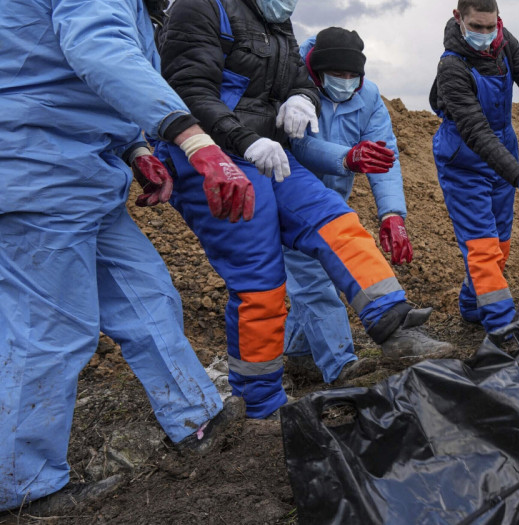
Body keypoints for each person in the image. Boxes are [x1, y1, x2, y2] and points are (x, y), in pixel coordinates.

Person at [0, 0, 247, 512]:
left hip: (83, 173)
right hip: (36, 170)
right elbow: (99, 50)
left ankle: (195, 417)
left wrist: (136, 149)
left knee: (147, 294)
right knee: (48, 331)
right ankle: (22, 487)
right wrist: (191, 137)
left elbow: (73, 75)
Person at [157, 0, 451, 420]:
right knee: (262, 282)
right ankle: (261, 405)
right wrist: (243, 140)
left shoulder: (275, 18)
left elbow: (296, 77)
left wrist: (299, 97)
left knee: (336, 222)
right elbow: (186, 87)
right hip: (211, 155)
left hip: (267, 153)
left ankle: (395, 327)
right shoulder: (201, 7)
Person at [282, 27, 412, 384]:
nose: (345, 82)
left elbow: (386, 156)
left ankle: (298, 354)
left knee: (313, 276)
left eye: (352, 75)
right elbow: (297, 144)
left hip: (332, 202)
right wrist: (347, 157)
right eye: (336, 75)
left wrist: (391, 213)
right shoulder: (295, 88)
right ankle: (340, 366)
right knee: (312, 281)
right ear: (317, 69)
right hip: (291, 199)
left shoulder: (368, 97)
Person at [429, 0, 519, 337]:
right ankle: (502, 330)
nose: (485, 34)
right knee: (482, 248)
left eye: (491, 26)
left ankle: (472, 306)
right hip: (465, 163)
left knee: (500, 244)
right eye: (476, 27)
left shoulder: (504, 42)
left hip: (502, 157)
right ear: (459, 19)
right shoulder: (452, 68)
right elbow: (475, 131)